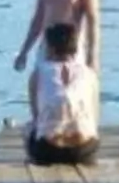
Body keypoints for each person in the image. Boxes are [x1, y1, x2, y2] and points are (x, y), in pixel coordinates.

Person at [26, 21, 101, 166]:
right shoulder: (89, 74)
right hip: (83, 148)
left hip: (49, 148)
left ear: (50, 48)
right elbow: (95, 116)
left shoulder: (38, 74)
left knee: (28, 131)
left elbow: (36, 117)